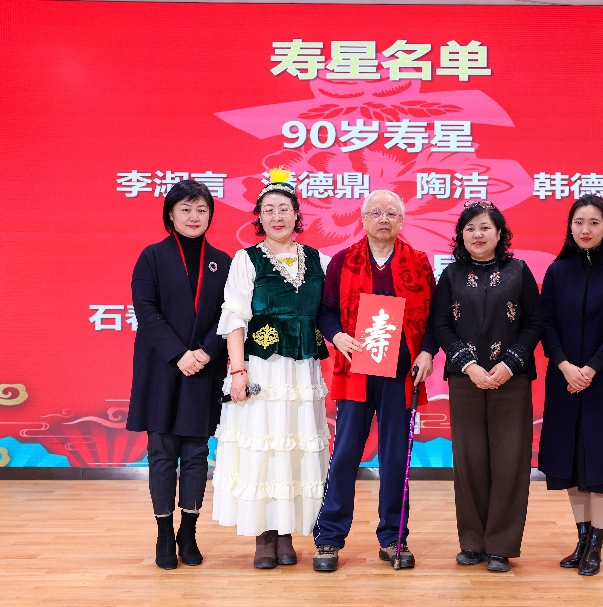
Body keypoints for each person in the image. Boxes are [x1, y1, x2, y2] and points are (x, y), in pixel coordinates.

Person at [311, 190, 437, 572]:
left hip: (401, 375)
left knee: (396, 456)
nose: (384, 219)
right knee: (346, 453)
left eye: (391, 213)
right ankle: (329, 537)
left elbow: (435, 316)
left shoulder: (418, 262)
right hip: (357, 372)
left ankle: (393, 537)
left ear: (401, 221)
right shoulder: (342, 260)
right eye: (376, 213)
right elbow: (325, 312)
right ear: (363, 219)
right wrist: (336, 336)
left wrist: (427, 352)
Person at [211, 169, 330, 569]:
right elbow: (234, 319)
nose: (277, 216)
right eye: (269, 210)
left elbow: (335, 311)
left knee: (293, 447)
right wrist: (238, 371)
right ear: (259, 218)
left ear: (297, 214)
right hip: (262, 369)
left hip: (302, 373)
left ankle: (286, 533)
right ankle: (264, 537)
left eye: (284, 209)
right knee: (263, 446)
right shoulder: (246, 260)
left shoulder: (319, 260)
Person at [126, 179, 231, 570]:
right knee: (162, 454)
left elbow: (230, 314)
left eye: (202, 209)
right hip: (162, 369)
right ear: (170, 215)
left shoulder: (223, 261)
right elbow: (146, 310)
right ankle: (162, 533)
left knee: (196, 454)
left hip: (204, 367)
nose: (194, 216)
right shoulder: (152, 256)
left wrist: (204, 352)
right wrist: (178, 354)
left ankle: (188, 532)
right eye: (186, 209)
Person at [433, 200, 542, 573]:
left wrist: (509, 364)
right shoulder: (451, 275)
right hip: (465, 379)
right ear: (461, 236)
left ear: (499, 234)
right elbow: (441, 324)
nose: (477, 235)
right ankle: (473, 543)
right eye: (470, 229)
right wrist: (469, 364)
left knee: (510, 461)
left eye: (484, 228)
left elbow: (534, 323)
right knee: (470, 460)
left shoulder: (518, 271)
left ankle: (500, 546)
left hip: (511, 379)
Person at [539, 194, 603, 576]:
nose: (585, 229)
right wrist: (566, 366)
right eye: (579, 222)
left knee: (602, 462)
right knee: (568, 461)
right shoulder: (557, 271)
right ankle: (581, 540)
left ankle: (596, 545)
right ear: (570, 226)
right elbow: (546, 323)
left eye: (594, 222)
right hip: (564, 380)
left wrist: (591, 369)